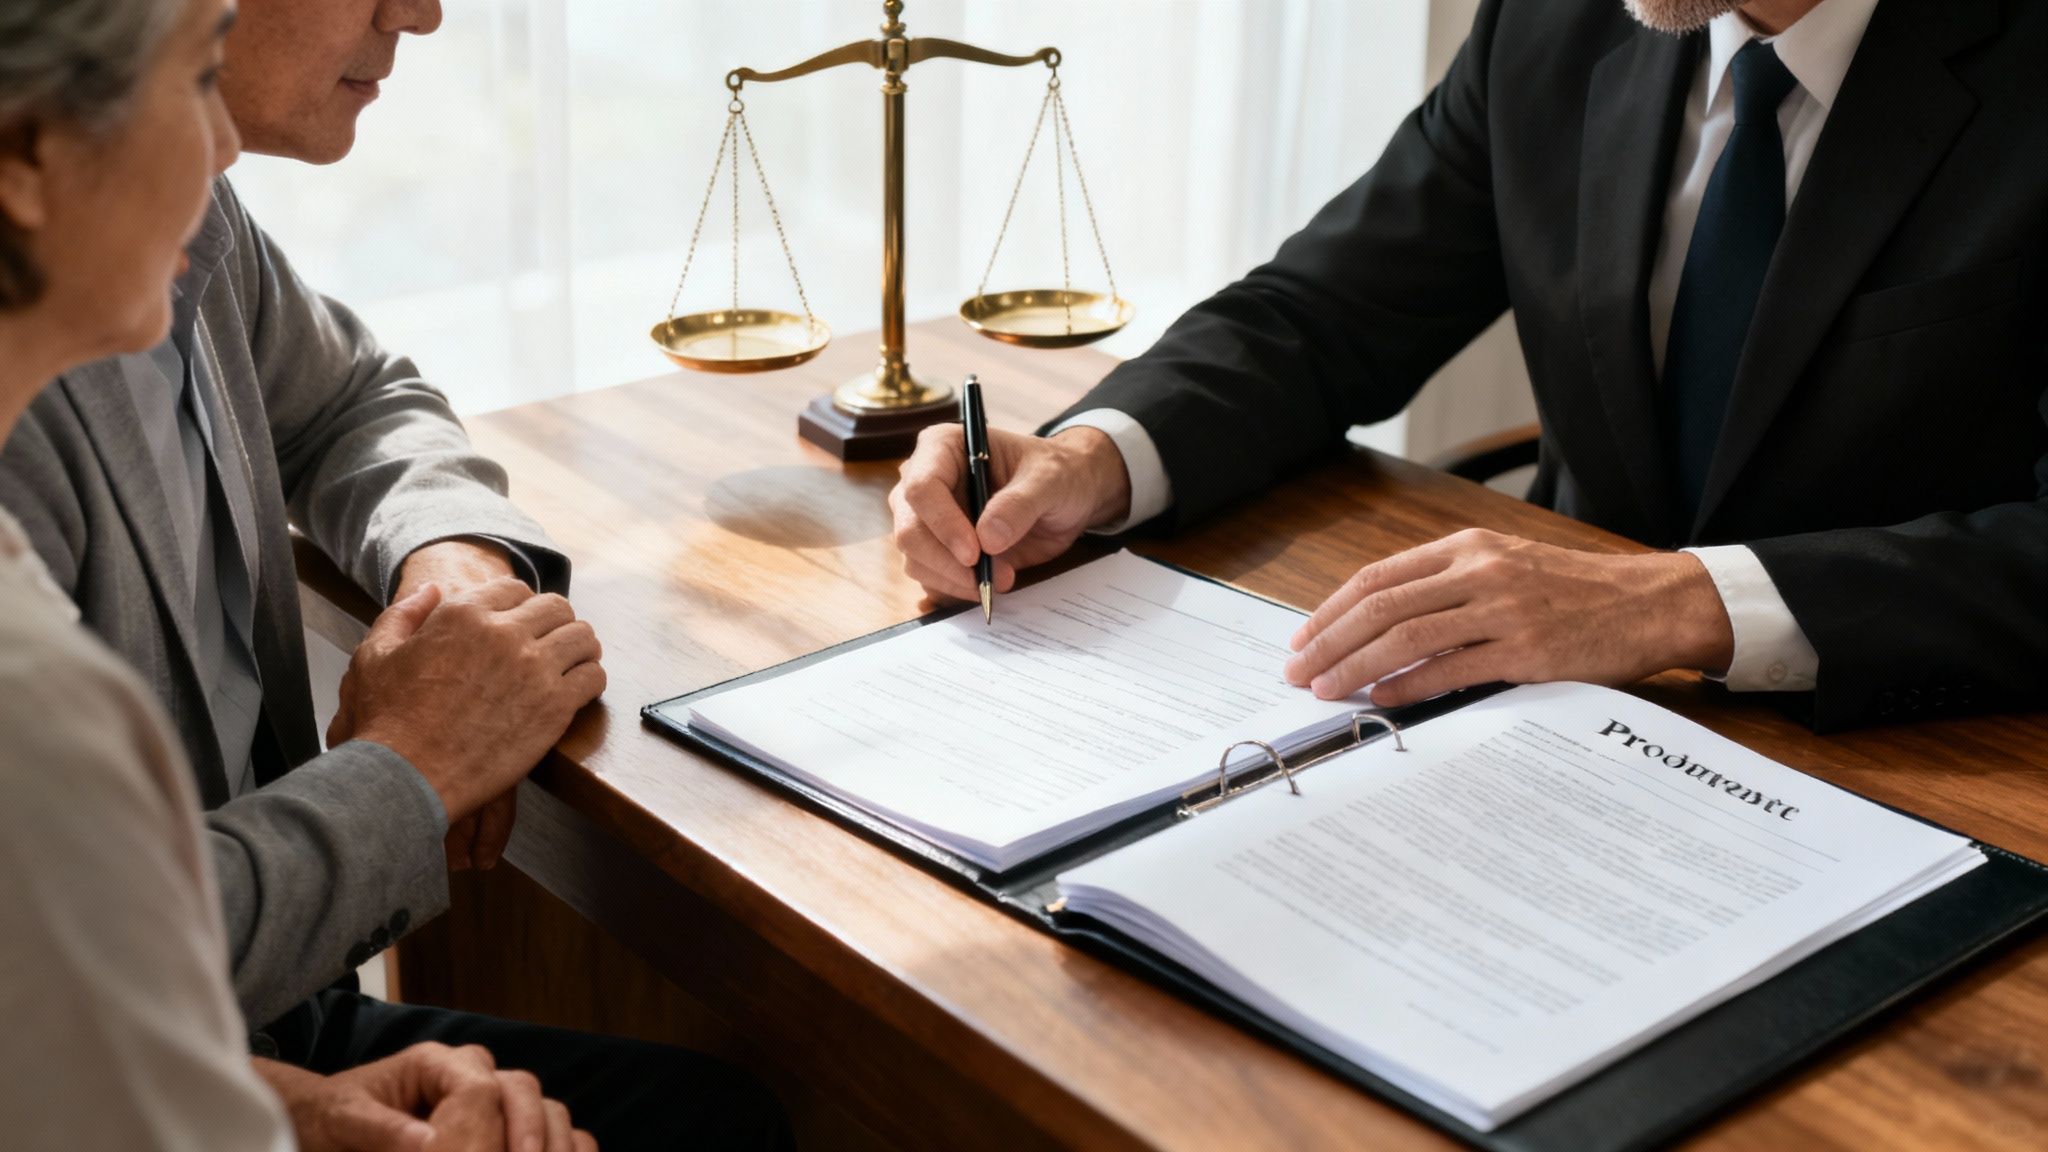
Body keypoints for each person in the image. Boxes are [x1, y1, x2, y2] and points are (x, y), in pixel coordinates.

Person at [0, 0, 788, 1147]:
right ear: (31, 151)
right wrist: (413, 761)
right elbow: (96, 977)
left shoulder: (178, 226)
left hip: (224, 1037)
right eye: (193, 68)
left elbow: (356, 397)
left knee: (712, 1113)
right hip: (180, 1023)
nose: (421, 12)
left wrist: (448, 580)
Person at [889, 0, 2048, 732]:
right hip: (1531, 720)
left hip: (1920, 744)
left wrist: (1681, 602)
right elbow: (1326, 310)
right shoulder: (1556, 23)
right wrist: (1096, 457)